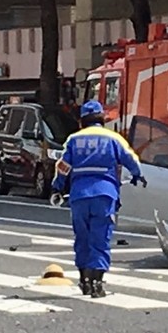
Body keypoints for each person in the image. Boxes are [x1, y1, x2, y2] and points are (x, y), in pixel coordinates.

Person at [52, 100, 145, 299]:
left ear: (82, 120)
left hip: (79, 195)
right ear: (102, 118)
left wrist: (57, 187)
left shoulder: (73, 139)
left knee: (82, 237)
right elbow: (131, 159)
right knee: (100, 238)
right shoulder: (113, 138)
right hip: (105, 193)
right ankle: (97, 282)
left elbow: (63, 166)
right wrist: (138, 175)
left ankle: (84, 279)